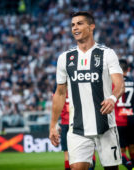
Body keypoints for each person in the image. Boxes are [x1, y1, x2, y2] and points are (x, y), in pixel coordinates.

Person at [49, 11, 125, 170]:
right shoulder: (65, 58)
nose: (74, 28)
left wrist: (112, 98)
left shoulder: (107, 54)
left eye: (79, 23)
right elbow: (60, 93)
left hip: (105, 126)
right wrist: (53, 125)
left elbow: (119, 85)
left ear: (92, 27)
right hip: (77, 128)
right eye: (72, 25)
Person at [57, 91, 96, 170]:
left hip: (67, 122)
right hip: (80, 120)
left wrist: (55, 123)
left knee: (67, 154)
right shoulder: (79, 80)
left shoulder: (59, 85)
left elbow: (57, 102)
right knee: (89, 150)